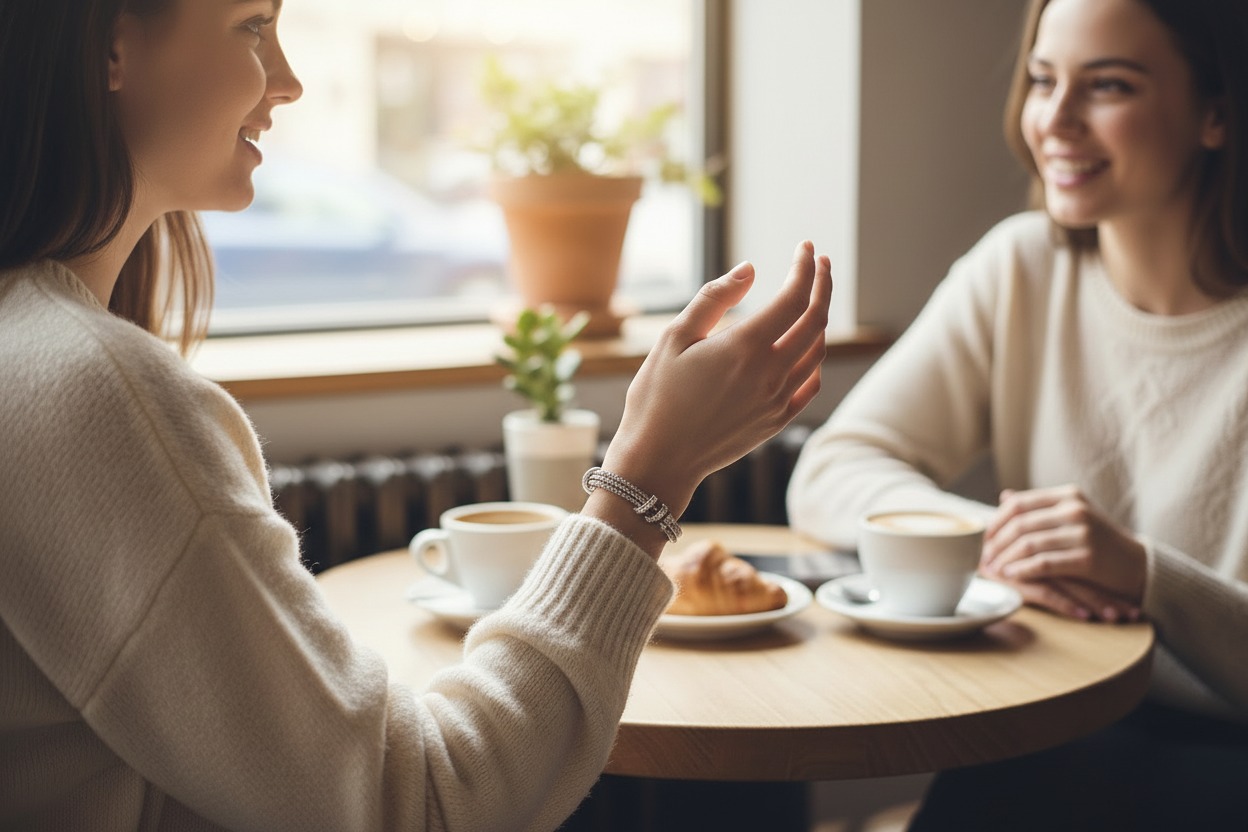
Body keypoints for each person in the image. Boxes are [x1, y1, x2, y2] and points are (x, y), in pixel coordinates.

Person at [0, 0, 834, 829]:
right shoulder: (91, 395)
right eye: (251, 26)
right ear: (112, 45)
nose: (286, 83)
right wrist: (649, 473)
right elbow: (427, 805)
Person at [787, 0, 1248, 827]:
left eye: (1108, 86)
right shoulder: (1019, 268)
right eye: (1042, 80)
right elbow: (832, 469)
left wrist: (1144, 575)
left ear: (1218, 111)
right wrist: (1009, 544)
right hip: (1058, 723)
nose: (1055, 121)